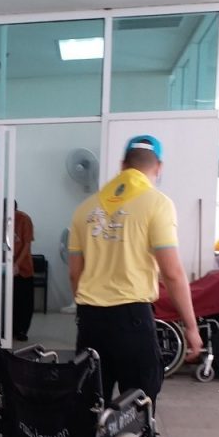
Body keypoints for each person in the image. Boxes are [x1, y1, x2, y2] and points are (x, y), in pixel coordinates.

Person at [67, 134, 202, 408]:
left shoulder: (85, 209)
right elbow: (172, 273)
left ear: (122, 165)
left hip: (91, 320)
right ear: (159, 167)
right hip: (132, 320)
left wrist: (87, 309)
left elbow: (74, 273)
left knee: (91, 405)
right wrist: (190, 326)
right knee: (138, 405)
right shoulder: (157, 203)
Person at [0, 201, 36, 340]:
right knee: (5, 301)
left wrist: (16, 264)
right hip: (2, 269)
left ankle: (22, 330)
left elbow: (27, 245)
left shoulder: (24, 219)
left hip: (22, 268)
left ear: (15, 210)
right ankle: (5, 329)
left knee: (23, 301)